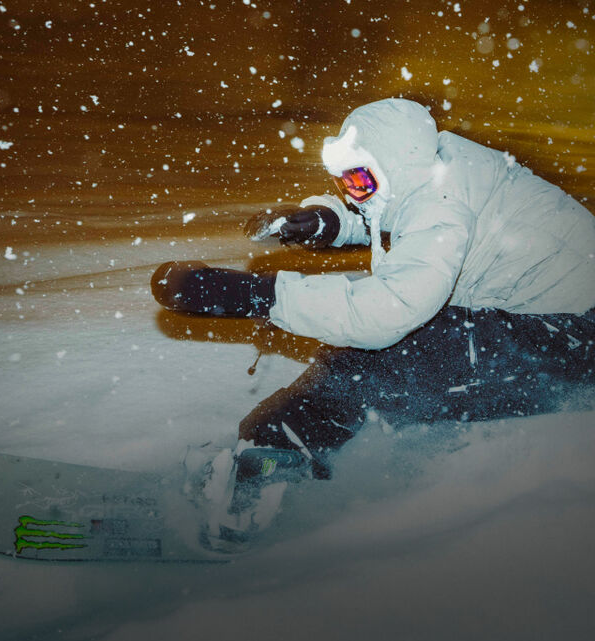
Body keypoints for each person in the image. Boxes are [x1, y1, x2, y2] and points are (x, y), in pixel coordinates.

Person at [151, 98, 594, 546]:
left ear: (394, 165)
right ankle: (279, 448)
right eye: (345, 182)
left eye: (361, 180)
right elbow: (398, 213)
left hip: (575, 342)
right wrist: (329, 221)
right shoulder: (436, 168)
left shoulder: (442, 203)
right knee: (385, 345)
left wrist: (255, 295)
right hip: (557, 327)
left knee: (386, 351)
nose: (353, 193)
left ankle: (269, 468)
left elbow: (387, 310)